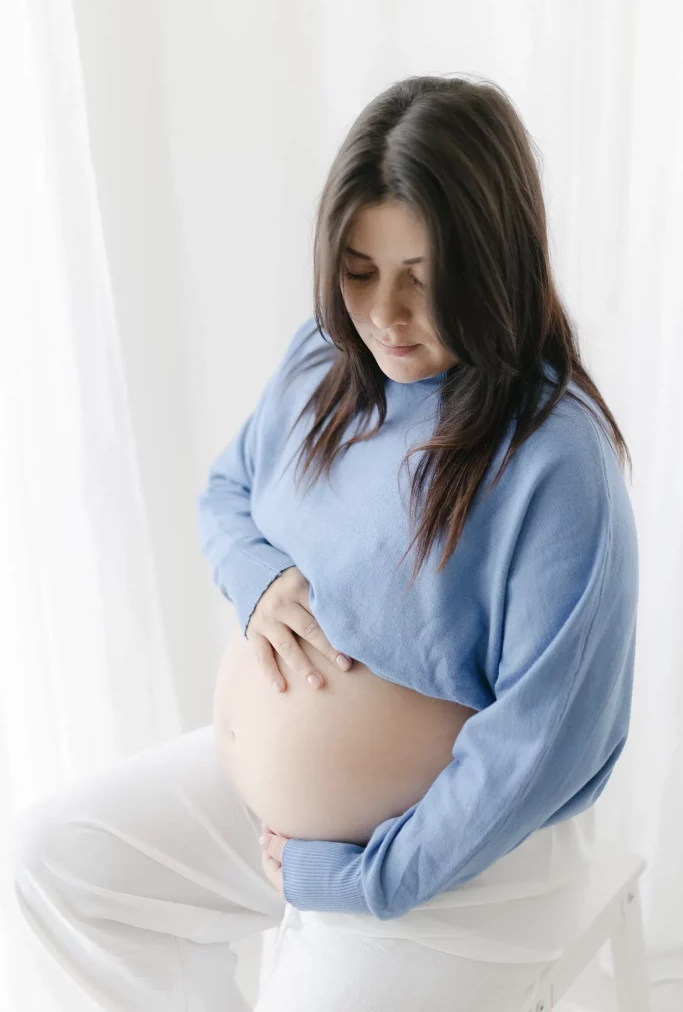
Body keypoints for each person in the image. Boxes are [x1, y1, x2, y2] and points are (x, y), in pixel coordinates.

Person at [12, 74, 639, 1012]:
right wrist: (258, 579)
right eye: (357, 271)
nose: (384, 313)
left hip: (457, 863)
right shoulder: (329, 361)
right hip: (272, 817)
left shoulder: (555, 460)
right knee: (55, 863)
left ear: (494, 265)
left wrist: (358, 878)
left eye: (423, 282)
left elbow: (539, 744)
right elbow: (229, 492)